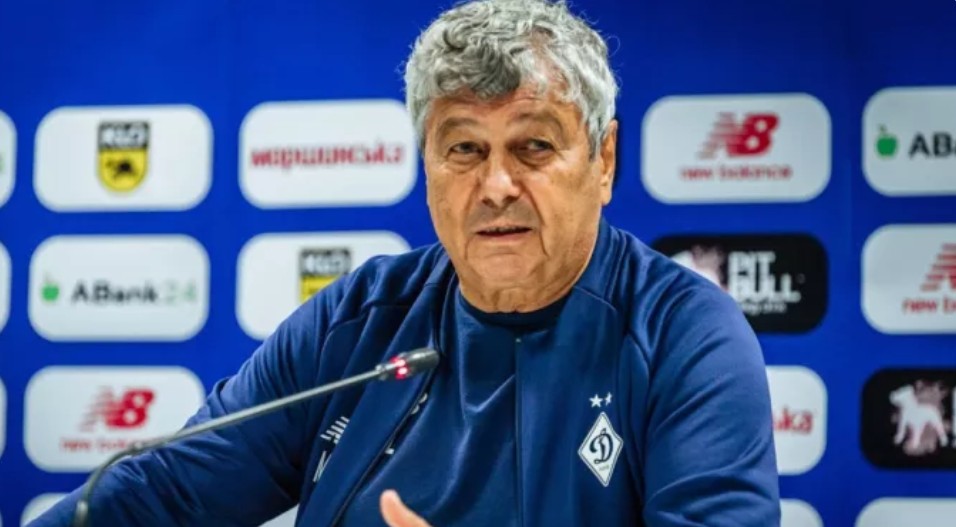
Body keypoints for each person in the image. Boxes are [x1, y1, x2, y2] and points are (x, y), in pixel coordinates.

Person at [29, 0, 780, 525]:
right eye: (465, 149)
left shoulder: (686, 337)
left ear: (604, 160)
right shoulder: (358, 322)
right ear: (427, 165)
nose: (496, 185)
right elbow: (165, 493)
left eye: (533, 146)